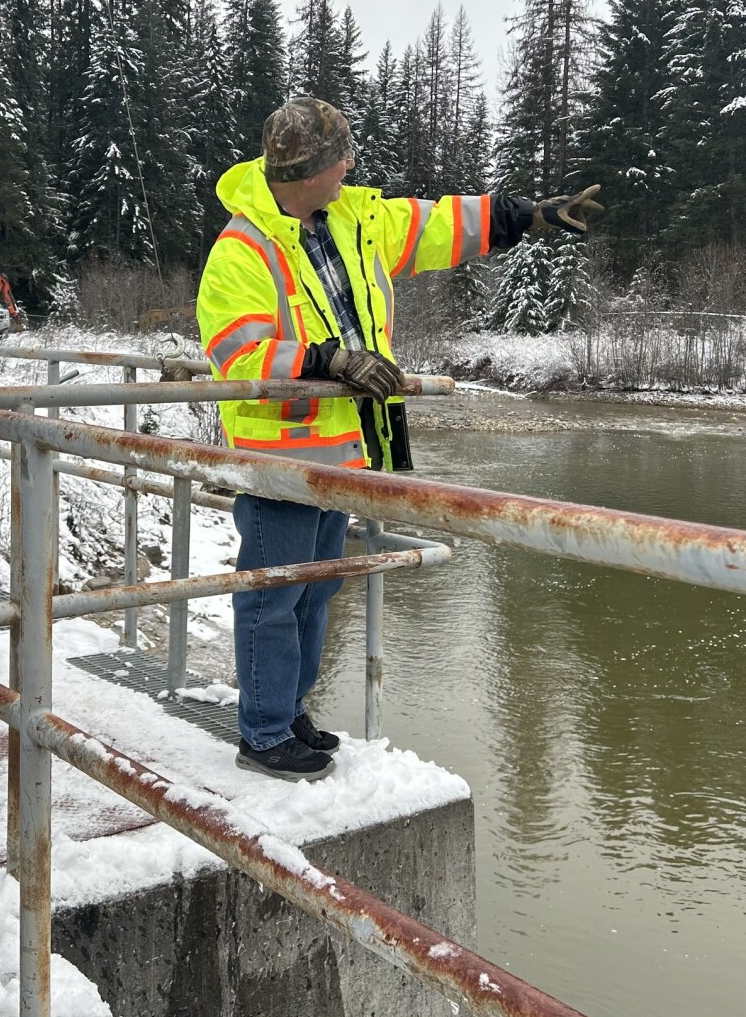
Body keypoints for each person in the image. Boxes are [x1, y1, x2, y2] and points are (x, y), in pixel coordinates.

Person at [197, 95, 603, 781]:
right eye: (343, 156)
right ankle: (263, 732)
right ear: (309, 169)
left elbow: (438, 223)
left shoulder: (354, 218)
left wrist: (524, 215)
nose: (354, 163)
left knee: (318, 590)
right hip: (276, 462)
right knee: (272, 596)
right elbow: (237, 353)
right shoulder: (241, 251)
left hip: (341, 454)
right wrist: (324, 359)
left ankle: (289, 710)